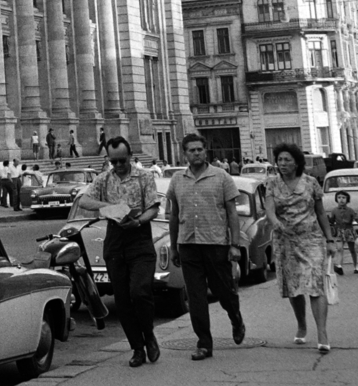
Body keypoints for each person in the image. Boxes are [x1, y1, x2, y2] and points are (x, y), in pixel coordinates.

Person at [164, 132, 246, 360]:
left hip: (216, 244)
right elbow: (173, 215)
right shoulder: (177, 180)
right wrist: (173, 246)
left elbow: (232, 213)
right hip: (188, 244)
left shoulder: (221, 177)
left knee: (224, 292)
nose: (196, 153)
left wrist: (235, 245)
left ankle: (235, 317)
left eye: (200, 149)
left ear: (205, 151)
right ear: (185, 154)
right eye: (192, 150)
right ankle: (204, 343)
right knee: (196, 296)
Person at [83, 135, 163, 367]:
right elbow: (85, 201)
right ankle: (137, 348)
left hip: (139, 239)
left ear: (130, 157)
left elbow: (153, 209)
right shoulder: (103, 179)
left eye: (122, 161)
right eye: (114, 161)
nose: (118, 166)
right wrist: (108, 207)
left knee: (140, 291)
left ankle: (148, 335)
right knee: (123, 300)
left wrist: (137, 221)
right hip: (115, 242)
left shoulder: (144, 177)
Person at [263, 143, 334, 352]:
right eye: (280, 160)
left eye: (287, 160)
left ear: (297, 162)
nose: (282, 164)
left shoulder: (311, 182)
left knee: (315, 284)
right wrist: (276, 223)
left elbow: (321, 213)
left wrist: (330, 240)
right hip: (285, 241)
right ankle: (302, 325)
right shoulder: (272, 184)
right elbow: (269, 209)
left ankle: (322, 331)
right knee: (294, 287)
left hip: (311, 239)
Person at [329, 190, 358, 274]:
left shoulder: (350, 210)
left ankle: (356, 266)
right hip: (339, 231)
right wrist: (328, 222)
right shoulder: (334, 210)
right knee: (339, 248)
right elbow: (331, 221)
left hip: (349, 231)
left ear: (347, 199)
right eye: (339, 197)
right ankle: (339, 266)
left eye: (343, 197)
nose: (341, 199)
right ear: (336, 199)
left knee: (352, 249)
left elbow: (357, 218)